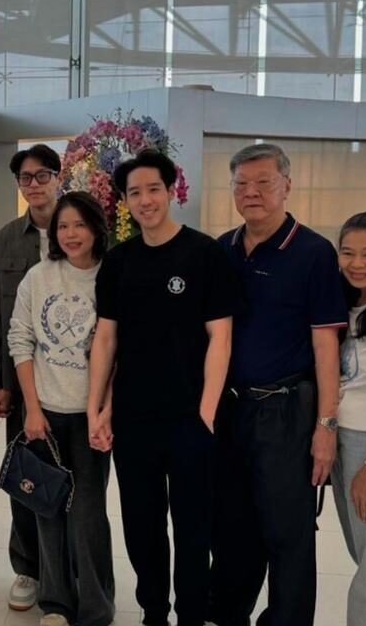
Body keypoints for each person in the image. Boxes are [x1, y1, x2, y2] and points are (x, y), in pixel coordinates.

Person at [87, 149, 236, 626]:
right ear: (125, 201)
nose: (145, 200)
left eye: (154, 189)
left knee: (193, 527)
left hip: (191, 418)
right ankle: (154, 612)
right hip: (134, 419)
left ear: (171, 191)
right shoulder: (118, 261)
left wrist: (207, 413)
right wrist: (96, 408)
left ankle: (191, 614)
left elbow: (221, 337)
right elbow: (106, 339)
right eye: (135, 192)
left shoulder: (204, 254)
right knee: (141, 525)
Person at [208, 143, 348, 626]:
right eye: (241, 184)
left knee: (288, 533)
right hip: (230, 411)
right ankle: (228, 615)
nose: (252, 192)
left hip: (287, 412)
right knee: (231, 526)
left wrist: (326, 426)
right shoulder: (222, 249)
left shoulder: (313, 252)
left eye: (263, 182)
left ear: (287, 185)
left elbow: (326, 346)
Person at [8, 191, 115, 626]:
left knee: (87, 516)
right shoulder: (39, 276)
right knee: (47, 510)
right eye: (63, 226)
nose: (71, 234)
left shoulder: (112, 276)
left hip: (92, 418)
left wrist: (104, 411)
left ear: (96, 229)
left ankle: (95, 607)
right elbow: (20, 340)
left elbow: (121, 350)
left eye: (80, 225)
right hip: (46, 415)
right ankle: (54, 603)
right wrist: (32, 410)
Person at [0, 143, 61, 610]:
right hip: (21, 376)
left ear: (59, 178)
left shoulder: (81, 230)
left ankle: (67, 569)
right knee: (26, 473)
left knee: (73, 476)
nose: (34, 185)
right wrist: (0, 382)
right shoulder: (6, 239)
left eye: (42, 175)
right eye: (25, 178)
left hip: (73, 379)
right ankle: (28, 568)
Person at [333, 211, 366, 626]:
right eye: (348, 252)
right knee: (365, 554)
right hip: (341, 444)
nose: (357, 263)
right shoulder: (344, 305)